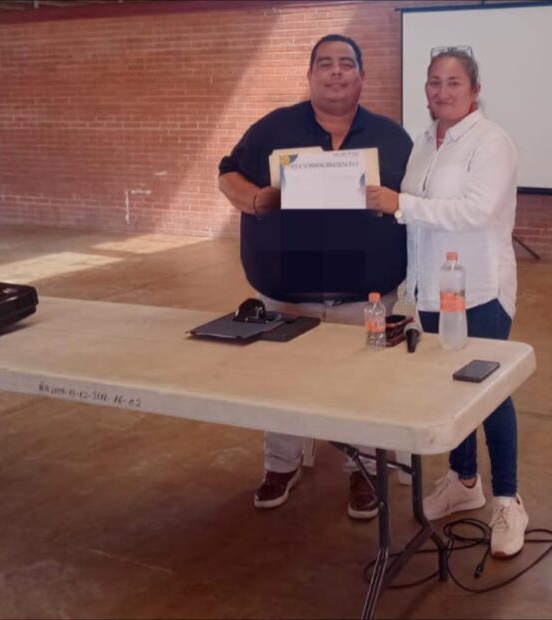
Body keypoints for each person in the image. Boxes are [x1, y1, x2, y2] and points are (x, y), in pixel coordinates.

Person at [218, 34, 413, 520]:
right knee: (283, 384)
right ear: (310, 75)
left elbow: (415, 202)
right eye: (325, 63)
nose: (336, 71)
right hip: (286, 293)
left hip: (366, 296)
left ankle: (365, 470)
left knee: (365, 384)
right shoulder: (273, 128)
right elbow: (227, 173)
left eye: (346, 63)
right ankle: (281, 465)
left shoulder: (393, 138)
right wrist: (256, 200)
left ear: (361, 76)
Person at [366, 46, 529, 557]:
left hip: (478, 289)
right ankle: (463, 482)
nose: (443, 91)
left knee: (490, 393)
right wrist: (412, 287)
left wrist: (401, 203)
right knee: (447, 389)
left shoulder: (491, 142)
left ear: (475, 89)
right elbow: (418, 224)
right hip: (432, 291)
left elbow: (475, 212)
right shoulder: (424, 142)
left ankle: (508, 501)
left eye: (454, 82)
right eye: (434, 82)